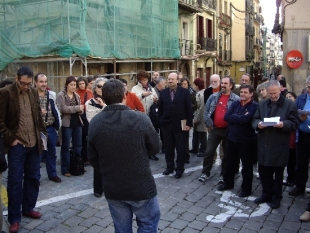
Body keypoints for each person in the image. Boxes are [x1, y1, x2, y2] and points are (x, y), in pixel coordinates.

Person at [88, 79, 160, 232]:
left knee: (121, 229)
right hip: (141, 186)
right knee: (147, 225)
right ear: (124, 96)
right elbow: (155, 148)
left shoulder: (95, 122)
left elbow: (92, 157)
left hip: (114, 187)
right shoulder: (140, 118)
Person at [0, 66, 47, 233]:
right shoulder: (5, 93)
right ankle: (14, 218)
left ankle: (28, 208)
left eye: (28, 84)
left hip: (34, 143)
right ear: (16, 78)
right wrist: (11, 139)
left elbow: (37, 117)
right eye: (22, 83)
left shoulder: (33, 92)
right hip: (17, 146)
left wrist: (43, 136)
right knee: (14, 182)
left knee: (34, 177)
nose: (25, 86)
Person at [252, 80, 299, 209]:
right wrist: (258, 124)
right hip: (264, 144)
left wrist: (283, 124)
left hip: (279, 144)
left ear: (280, 91)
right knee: (263, 172)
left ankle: (276, 197)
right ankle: (266, 194)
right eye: (271, 93)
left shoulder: (289, 105)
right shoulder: (262, 104)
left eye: (275, 93)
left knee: (278, 174)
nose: (273, 96)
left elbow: (295, 123)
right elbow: (255, 119)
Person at [217, 84, 257, 197]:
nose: (242, 94)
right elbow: (226, 117)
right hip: (232, 139)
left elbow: (246, 119)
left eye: (245, 92)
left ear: (251, 94)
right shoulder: (235, 103)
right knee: (229, 164)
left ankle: (246, 189)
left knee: (246, 167)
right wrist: (239, 118)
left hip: (246, 141)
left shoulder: (254, 106)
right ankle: (228, 183)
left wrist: (237, 117)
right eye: (241, 92)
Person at [198, 76, 239, 182]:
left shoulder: (236, 99)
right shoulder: (213, 97)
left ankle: (223, 175)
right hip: (214, 129)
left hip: (228, 131)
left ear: (231, 85)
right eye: (223, 83)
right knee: (209, 152)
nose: (223, 85)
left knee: (226, 154)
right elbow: (206, 112)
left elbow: (238, 116)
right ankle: (205, 173)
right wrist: (209, 124)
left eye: (226, 83)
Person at [158, 72, 193, 178]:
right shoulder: (163, 93)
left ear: (177, 80)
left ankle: (179, 169)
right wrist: (161, 122)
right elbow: (160, 109)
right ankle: (169, 167)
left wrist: (189, 123)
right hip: (167, 124)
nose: (170, 81)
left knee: (180, 148)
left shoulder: (185, 92)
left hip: (181, 124)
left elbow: (189, 109)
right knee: (168, 148)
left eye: (172, 79)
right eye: (169, 79)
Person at [34, 73, 62, 183]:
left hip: (50, 128)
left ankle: (52, 174)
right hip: (37, 129)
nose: (44, 84)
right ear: (35, 82)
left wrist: (56, 126)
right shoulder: (31, 95)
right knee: (37, 154)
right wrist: (38, 113)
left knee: (52, 153)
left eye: (45, 81)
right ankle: (36, 177)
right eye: (41, 81)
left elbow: (56, 109)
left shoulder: (51, 94)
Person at [56, 76, 84, 177]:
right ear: (67, 85)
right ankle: (65, 169)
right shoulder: (61, 95)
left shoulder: (76, 95)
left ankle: (77, 165)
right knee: (65, 147)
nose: (73, 87)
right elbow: (63, 109)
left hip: (77, 123)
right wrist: (77, 108)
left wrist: (80, 110)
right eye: (71, 85)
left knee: (78, 146)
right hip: (66, 124)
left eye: (74, 85)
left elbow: (81, 109)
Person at [85, 78, 106, 198]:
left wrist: (104, 105)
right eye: (99, 86)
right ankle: (98, 189)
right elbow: (94, 121)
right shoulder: (89, 103)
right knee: (98, 165)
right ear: (94, 88)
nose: (101, 89)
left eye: (104, 86)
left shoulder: (111, 102)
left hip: (111, 137)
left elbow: (114, 115)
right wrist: (105, 108)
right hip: (98, 137)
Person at [289, 76, 310, 197]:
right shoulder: (301, 99)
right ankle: (299, 186)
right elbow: (293, 114)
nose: (309, 89)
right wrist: (299, 118)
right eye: (308, 87)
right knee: (301, 163)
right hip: (303, 135)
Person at [76, 77, 94, 164]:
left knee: (88, 137)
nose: (81, 85)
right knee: (81, 137)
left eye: (83, 83)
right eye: (80, 84)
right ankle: (82, 157)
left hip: (88, 115)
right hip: (80, 116)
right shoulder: (76, 93)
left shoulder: (90, 92)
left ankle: (88, 156)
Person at [180, 77, 197, 163]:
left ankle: (186, 156)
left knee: (185, 138)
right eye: (182, 84)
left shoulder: (191, 94)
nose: (183, 86)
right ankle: (181, 155)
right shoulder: (178, 93)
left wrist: (189, 106)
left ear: (188, 85)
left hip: (185, 119)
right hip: (178, 118)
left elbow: (195, 105)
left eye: (185, 84)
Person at [283, 91, 297, 187]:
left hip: (296, 137)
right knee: (289, 160)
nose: (288, 98)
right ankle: (290, 178)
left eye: (290, 97)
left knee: (294, 160)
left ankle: (294, 179)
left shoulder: (296, 108)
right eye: (286, 97)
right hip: (288, 138)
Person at [191, 78, 207, 157]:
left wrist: (196, 119)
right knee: (196, 133)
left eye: (194, 85)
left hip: (201, 117)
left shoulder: (202, 94)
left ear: (197, 86)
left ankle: (203, 150)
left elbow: (201, 108)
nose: (194, 86)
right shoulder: (199, 93)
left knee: (202, 134)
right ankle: (195, 148)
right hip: (198, 116)